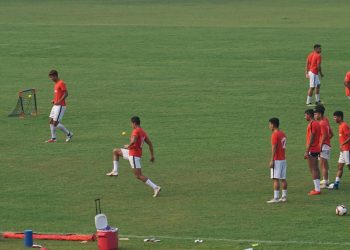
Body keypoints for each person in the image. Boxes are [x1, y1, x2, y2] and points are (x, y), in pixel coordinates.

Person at [106, 116, 161, 197]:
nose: (131, 125)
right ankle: (115, 171)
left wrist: (128, 146)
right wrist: (152, 156)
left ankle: (155, 187)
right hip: (132, 153)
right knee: (116, 151)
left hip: (134, 156)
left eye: (131, 123)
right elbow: (150, 144)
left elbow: (133, 141)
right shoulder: (142, 132)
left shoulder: (136, 131)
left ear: (134, 123)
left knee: (138, 175)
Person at [46, 70, 73, 143]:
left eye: (51, 77)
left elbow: (66, 94)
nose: (51, 79)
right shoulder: (56, 84)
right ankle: (53, 138)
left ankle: (69, 134)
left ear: (55, 76)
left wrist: (59, 101)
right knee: (51, 121)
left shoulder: (61, 83)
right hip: (56, 105)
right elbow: (58, 94)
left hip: (60, 106)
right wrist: (54, 100)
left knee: (55, 123)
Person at [267, 118, 288, 203]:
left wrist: (272, 160)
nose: (269, 126)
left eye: (269, 124)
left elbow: (274, 147)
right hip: (283, 159)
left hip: (277, 160)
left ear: (273, 124)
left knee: (275, 179)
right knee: (283, 178)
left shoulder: (275, 135)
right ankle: (284, 197)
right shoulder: (283, 134)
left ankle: (276, 198)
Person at [328, 111, 350, 190]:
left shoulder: (344, 126)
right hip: (343, 150)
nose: (334, 119)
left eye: (335, 117)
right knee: (340, 166)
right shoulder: (340, 125)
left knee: (349, 166)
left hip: (347, 149)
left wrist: (342, 144)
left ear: (340, 117)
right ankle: (336, 184)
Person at [314, 106, 333, 188]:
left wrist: (320, 146)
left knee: (323, 165)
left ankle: (325, 182)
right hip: (326, 145)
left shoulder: (321, 123)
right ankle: (326, 179)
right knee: (325, 164)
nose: (314, 116)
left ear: (320, 114)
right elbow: (331, 133)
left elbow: (324, 135)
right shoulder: (326, 120)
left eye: (316, 114)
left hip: (323, 146)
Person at [304, 109, 322, 195]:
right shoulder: (317, 123)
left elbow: (311, 137)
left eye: (305, 115)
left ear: (309, 115)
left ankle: (317, 189)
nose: (305, 117)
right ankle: (317, 187)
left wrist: (307, 151)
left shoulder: (312, 124)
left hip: (312, 149)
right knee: (316, 168)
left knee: (313, 168)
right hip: (317, 148)